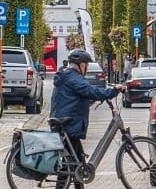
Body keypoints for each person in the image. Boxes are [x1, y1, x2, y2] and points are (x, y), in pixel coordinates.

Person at [50, 50, 125, 189]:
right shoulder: (74, 78)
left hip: (65, 121)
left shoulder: (67, 76)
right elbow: (91, 91)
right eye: (87, 65)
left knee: (78, 163)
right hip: (69, 124)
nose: (87, 69)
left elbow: (76, 96)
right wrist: (114, 91)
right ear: (81, 65)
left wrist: (88, 101)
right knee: (70, 164)